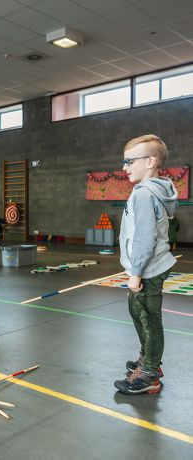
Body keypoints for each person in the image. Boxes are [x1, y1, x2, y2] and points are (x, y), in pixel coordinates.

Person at [114, 134, 177, 395]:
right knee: (135, 310)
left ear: (151, 161)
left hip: (148, 268)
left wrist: (136, 272)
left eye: (130, 161)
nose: (125, 167)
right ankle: (147, 359)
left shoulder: (144, 195)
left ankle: (150, 372)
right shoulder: (150, 190)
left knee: (149, 319)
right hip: (143, 267)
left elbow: (144, 237)